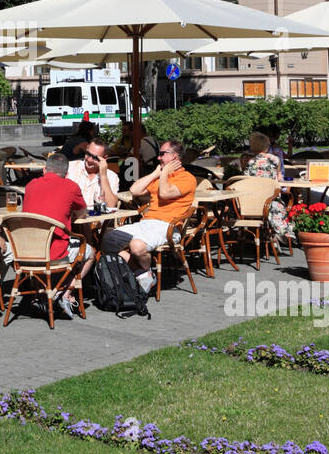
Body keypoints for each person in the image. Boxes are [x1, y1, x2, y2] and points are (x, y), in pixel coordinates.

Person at [101, 138, 197, 293]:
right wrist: (155, 173)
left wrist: (164, 172)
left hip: (168, 227)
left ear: (175, 156)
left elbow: (165, 193)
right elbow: (135, 190)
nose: (158, 157)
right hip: (147, 223)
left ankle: (141, 274)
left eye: (162, 154)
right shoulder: (159, 177)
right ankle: (143, 273)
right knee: (108, 240)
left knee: (137, 246)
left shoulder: (187, 178)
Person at [18, 153, 87, 319]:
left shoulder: (31, 185)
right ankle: (64, 293)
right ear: (66, 173)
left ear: (44, 170)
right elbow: (83, 214)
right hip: (53, 254)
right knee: (89, 251)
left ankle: (40, 293)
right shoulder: (71, 186)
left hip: (25, 252)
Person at [244, 131, 291, 244]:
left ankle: (257, 234)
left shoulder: (250, 162)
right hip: (271, 199)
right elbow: (279, 178)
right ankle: (276, 234)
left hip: (253, 202)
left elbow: (246, 181)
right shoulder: (275, 159)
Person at [66, 136, 119, 209]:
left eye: (95, 158)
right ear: (86, 149)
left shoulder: (111, 176)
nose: (90, 160)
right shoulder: (70, 168)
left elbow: (111, 205)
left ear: (104, 158)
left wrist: (103, 176)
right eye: (88, 154)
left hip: (96, 219)